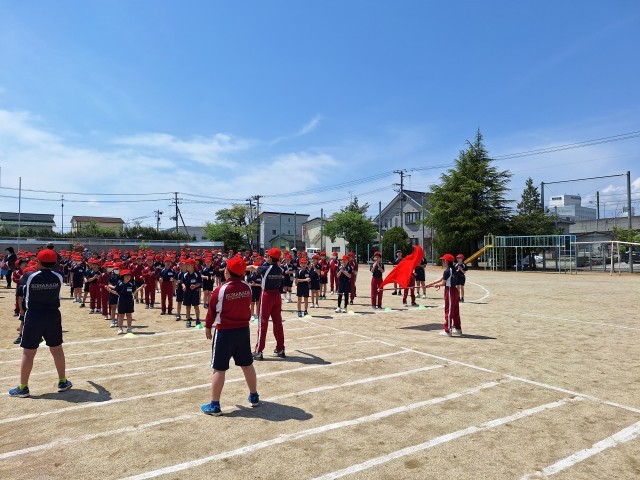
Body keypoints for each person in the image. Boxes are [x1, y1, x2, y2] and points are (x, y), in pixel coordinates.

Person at [9, 249, 72, 397]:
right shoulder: (59, 276)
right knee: (57, 349)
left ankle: (23, 387)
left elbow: (22, 282)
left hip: (34, 315)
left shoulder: (29, 276)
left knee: (28, 352)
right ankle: (62, 381)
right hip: (53, 315)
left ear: (38, 261)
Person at [201, 256, 259, 416]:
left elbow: (212, 310)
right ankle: (254, 396)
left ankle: (215, 405)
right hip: (242, 331)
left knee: (219, 368)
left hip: (224, 332)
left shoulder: (221, 290)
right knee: (247, 364)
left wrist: (208, 326)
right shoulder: (247, 287)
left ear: (227, 271)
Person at [247, 247, 285, 360]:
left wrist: (240, 267)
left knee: (262, 323)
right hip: (277, 295)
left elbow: (253, 267)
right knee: (277, 323)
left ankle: (258, 351)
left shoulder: (266, 268)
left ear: (270, 258)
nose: (266, 257)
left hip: (267, 295)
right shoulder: (280, 269)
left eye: (267, 256)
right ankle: (280, 348)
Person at [426, 253, 462, 337]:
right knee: (455, 311)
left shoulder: (447, 271)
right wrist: (431, 284)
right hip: (454, 290)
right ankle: (458, 329)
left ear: (447, 261)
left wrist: (436, 285)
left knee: (449, 311)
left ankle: (448, 331)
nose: (442, 262)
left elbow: (443, 283)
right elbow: (442, 279)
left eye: (443, 260)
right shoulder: (453, 269)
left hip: (449, 291)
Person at [107, 269, 143, 335]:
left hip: (129, 301)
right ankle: (120, 328)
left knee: (129, 314)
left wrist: (140, 288)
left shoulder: (131, 284)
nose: (128, 277)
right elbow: (117, 292)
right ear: (123, 276)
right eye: (126, 276)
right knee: (121, 315)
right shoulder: (119, 283)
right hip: (121, 301)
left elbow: (134, 292)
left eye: (129, 276)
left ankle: (129, 328)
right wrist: (110, 290)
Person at [182, 258, 202, 328]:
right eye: (186, 264)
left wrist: (195, 286)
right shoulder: (185, 274)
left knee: (196, 306)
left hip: (195, 292)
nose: (186, 266)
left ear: (192, 265)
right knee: (188, 306)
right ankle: (188, 319)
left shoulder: (197, 273)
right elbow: (182, 282)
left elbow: (199, 283)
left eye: (187, 264)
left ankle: (197, 319)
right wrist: (184, 286)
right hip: (187, 292)